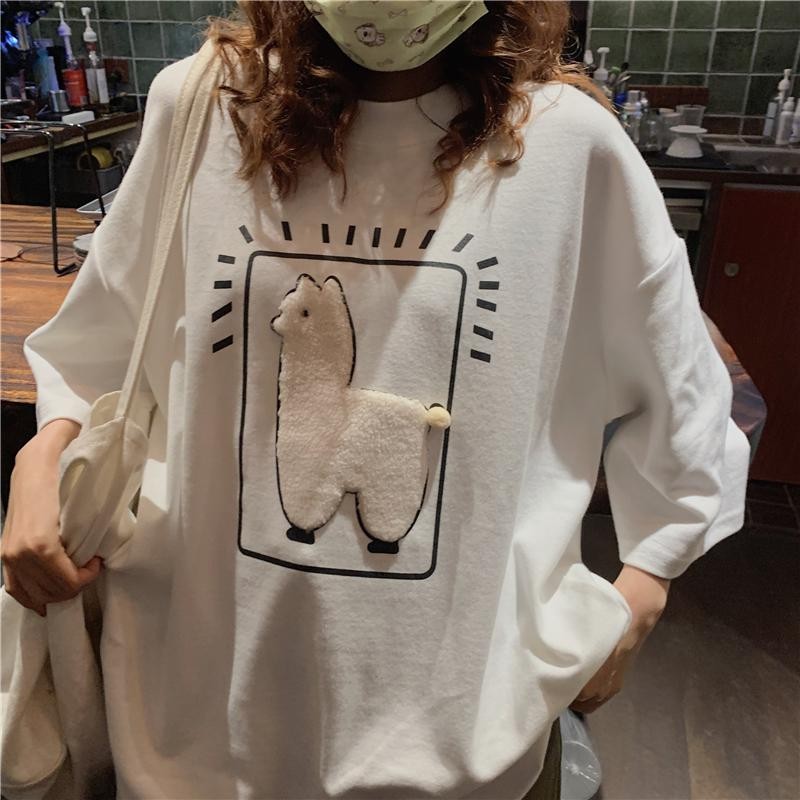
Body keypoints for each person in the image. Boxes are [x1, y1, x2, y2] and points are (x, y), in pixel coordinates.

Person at [1, 2, 750, 798]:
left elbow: (684, 397)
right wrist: (41, 455)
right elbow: (101, 340)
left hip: (461, 741)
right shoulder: (204, 109)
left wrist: (643, 591)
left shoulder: (567, 146)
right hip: (196, 733)